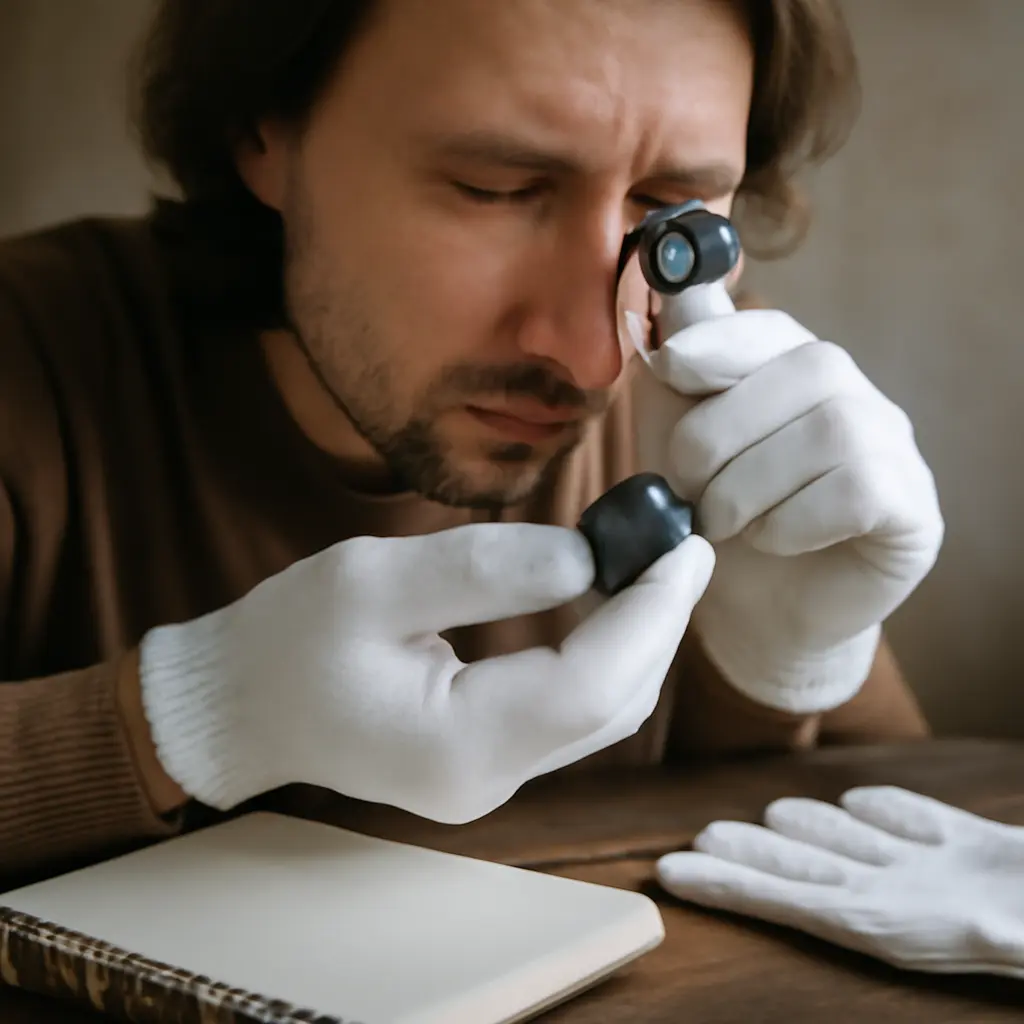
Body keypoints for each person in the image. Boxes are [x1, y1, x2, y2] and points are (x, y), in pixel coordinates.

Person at [0, 0, 944, 886]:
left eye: (669, 212)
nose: (590, 360)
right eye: (496, 189)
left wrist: (787, 669)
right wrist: (188, 715)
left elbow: (888, 865)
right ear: (266, 128)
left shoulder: (718, 402)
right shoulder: (32, 357)